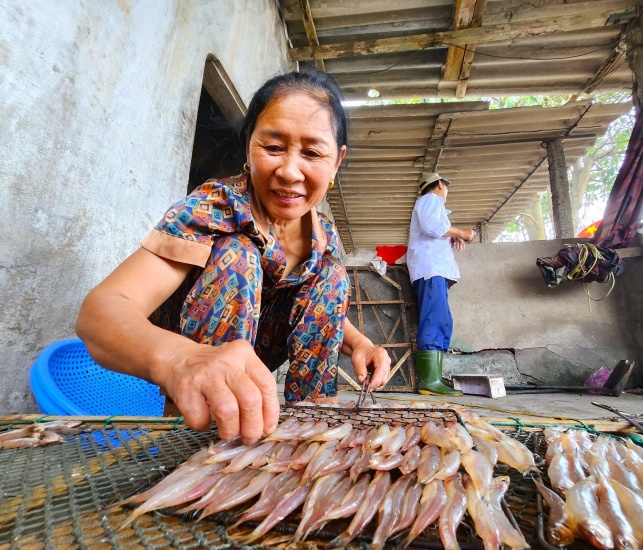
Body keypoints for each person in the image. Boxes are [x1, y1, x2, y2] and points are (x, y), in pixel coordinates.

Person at [76, 70, 391, 443]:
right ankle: (194, 441)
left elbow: (321, 308)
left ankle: (311, 427)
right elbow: (100, 312)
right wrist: (182, 360)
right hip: (195, 358)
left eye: (312, 153)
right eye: (273, 147)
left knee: (330, 276)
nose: (290, 171)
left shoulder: (323, 234)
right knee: (236, 254)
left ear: (336, 161)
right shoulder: (217, 209)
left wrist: (361, 345)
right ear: (248, 147)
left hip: (256, 359)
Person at [407, 172, 476, 396]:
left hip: (433, 272)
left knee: (441, 320)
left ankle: (434, 378)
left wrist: (450, 235)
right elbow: (430, 226)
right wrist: (461, 233)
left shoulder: (431, 204)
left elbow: (435, 229)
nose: (446, 191)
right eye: (446, 187)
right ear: (439, 185)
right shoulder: (430, 200)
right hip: (431, 271)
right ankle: (429, 381)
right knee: (434, 320)